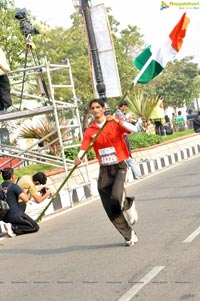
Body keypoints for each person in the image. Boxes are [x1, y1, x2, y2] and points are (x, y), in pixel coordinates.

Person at [75, 98, 138, 247]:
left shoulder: (113, 123)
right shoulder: (90, 130)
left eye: (98, 107)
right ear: (90, 111)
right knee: (110, 206)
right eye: (93, 108)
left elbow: (134, 129)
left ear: (103, 109)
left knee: (116, 195)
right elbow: (84, 146)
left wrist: (118, 121)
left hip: (119, 166)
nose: (96, 110)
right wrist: (78, 157)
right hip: (104, 169)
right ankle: (129, 235)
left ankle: (128, 203)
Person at [1, 167, 39, 235]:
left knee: (21, 205)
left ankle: (11, 225)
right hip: (15, 215)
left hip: (4, 217)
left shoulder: (0, 187)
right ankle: (13, 228)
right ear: (12, 176)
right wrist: (25, 191)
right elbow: (26, 199)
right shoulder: (14, 186)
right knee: (35, 227)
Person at [115, 100, 141, 179]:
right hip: (122, 136)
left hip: (124, 135)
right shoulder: (118, 113)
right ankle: (136, 174)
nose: (125, 108)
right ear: (123, 106)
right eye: (125, 107)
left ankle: (135, 173)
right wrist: (127, 118)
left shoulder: (121, 113)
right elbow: (121, 122)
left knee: (128, 154)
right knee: (127, 155)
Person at [0, 47, 17, 114]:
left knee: (1, 90)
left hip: (2, 72)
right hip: (1, 72)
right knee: (5, 89)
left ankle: (1, 109)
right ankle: (8, 107)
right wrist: (4, 69)